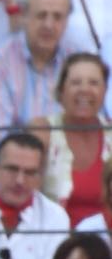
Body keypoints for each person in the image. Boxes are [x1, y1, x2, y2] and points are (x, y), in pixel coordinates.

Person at [0, 0, 72, 152]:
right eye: (41, 15)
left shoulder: (75, 60)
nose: (49, 25)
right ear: (23, 15)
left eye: (57, 17)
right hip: (17, 167)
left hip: (68, 161)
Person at [37, 54, 112, 229]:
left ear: (104, 91)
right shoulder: (42, 130)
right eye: (76, 82)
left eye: (93, 83)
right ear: (61, 91)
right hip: (55, 242)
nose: (84, 89)